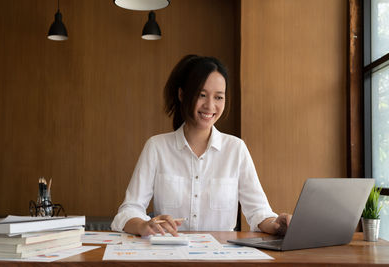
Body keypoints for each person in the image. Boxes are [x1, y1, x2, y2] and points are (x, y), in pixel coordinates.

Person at [111, 55, 292, 237]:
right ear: (182, 94)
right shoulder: (156, 147)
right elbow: (129, 210)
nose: (210, 105)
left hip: (220, 258)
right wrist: (143, 225)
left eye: (219, 97)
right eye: (202, 95)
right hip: (169, 256)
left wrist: (278, 225)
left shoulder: (236, 149)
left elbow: (259, 212)